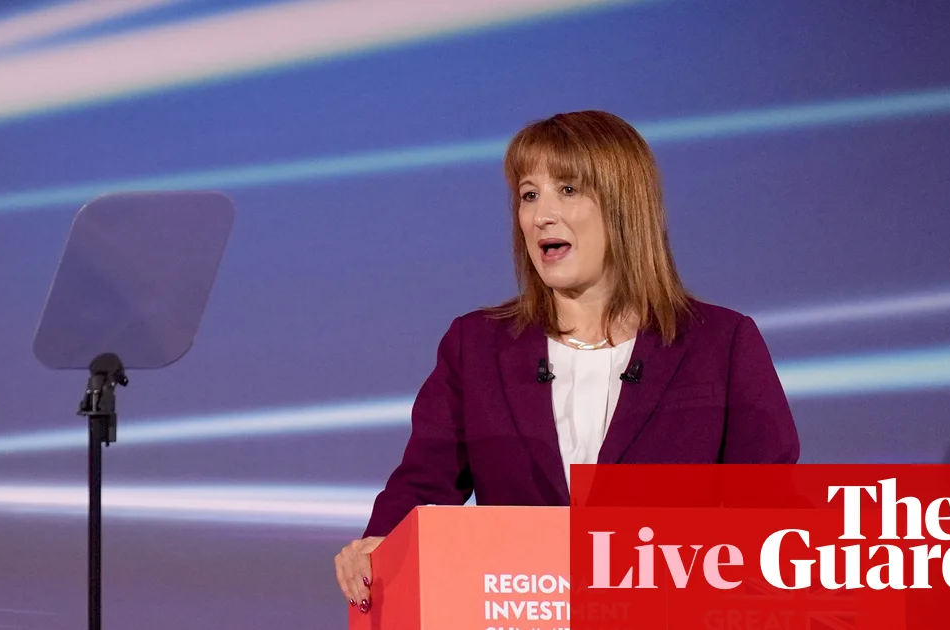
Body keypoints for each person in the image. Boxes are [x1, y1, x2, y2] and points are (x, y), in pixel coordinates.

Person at [334, 110, 799, 612]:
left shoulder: (720, 343)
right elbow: (424, 483)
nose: (541, 216)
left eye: (568, 190)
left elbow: (769, 513)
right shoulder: (478, 346)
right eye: (529, 195)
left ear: (624, 205)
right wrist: (381, 545)